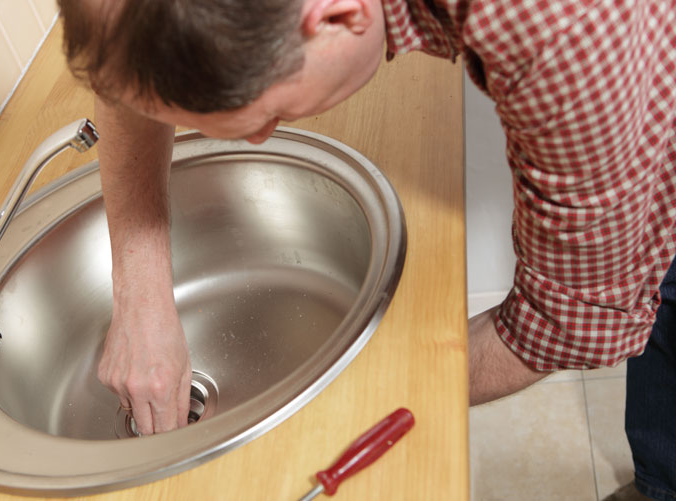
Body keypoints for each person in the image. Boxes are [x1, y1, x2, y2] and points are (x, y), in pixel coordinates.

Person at [56, 0, 676, 498]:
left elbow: (569, 320)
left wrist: (327, 408)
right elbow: (132, 57)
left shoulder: (556, 21)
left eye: (263, 115)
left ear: (339, 17)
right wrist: (139, 292)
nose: (263, 139)